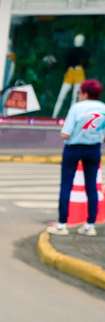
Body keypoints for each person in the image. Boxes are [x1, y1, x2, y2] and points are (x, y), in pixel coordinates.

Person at [48, 78, 104, 237]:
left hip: (73, 149)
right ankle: (90, 225)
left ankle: (62, 224)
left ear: (85, 93)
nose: (78, 95)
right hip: (94, 149)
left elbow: (65, 134)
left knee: (66, 185)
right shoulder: (104, 108)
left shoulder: (77, 108)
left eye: (79, 92)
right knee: (91, 187)